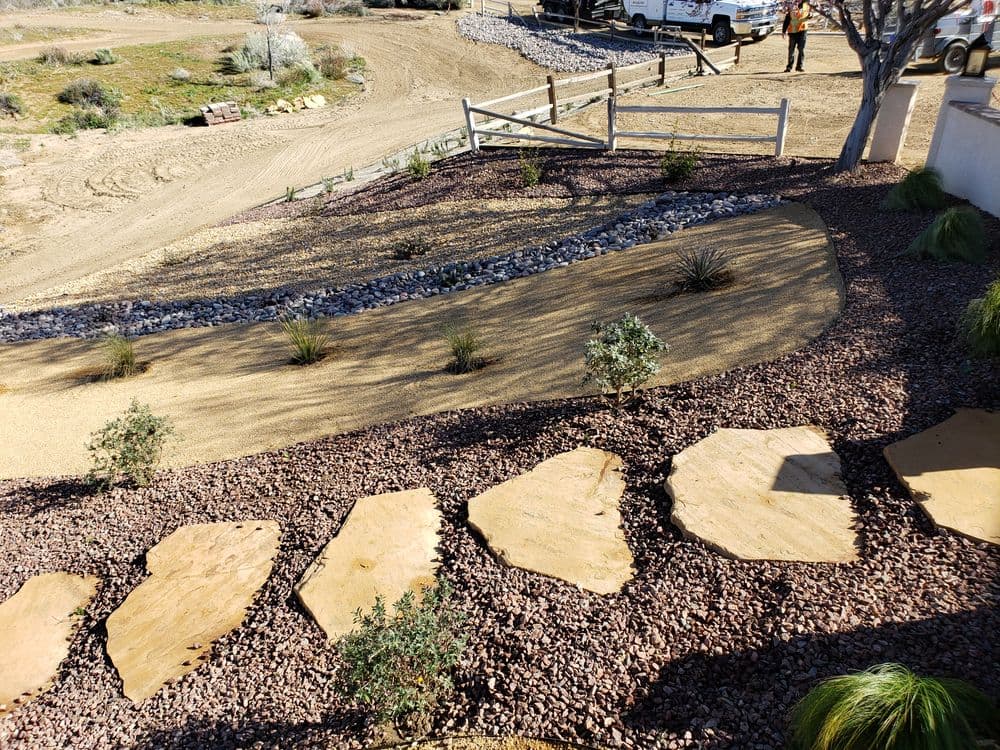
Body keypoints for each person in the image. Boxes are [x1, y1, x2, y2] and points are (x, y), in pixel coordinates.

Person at [782, 0, 811, 72]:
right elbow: (787, 18)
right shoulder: (791, 6)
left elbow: (809, 15)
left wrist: (811, 15)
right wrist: (784, 31)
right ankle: (789, 67)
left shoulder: (806, 5)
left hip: (803, 30)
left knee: (801, 49)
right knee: (791, 50)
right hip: (792, 31)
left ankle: (799, 66)